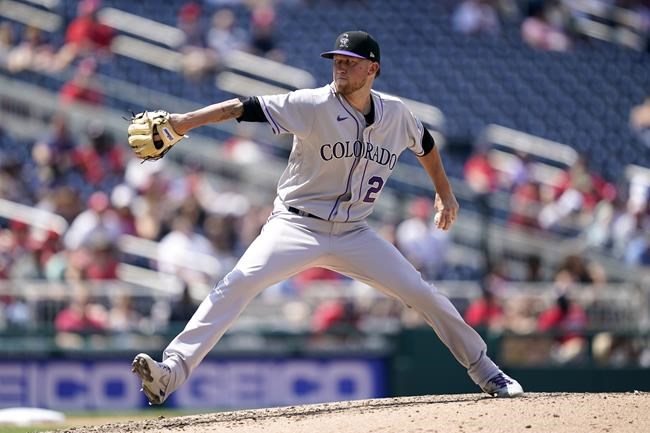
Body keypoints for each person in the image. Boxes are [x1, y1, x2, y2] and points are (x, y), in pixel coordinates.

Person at [130, 30, 523, 404]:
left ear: (372, 69)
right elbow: (240, 107)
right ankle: (171, 372)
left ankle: (488, 372)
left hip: (355, 233)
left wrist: (445, 192)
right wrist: (182, 123)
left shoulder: (397, 114)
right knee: (237, 284)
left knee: (422, 294)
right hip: (296, 225)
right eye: (336, 59)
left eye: (349, 61)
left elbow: (426, 145)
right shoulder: (313, 104)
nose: (339, 67)